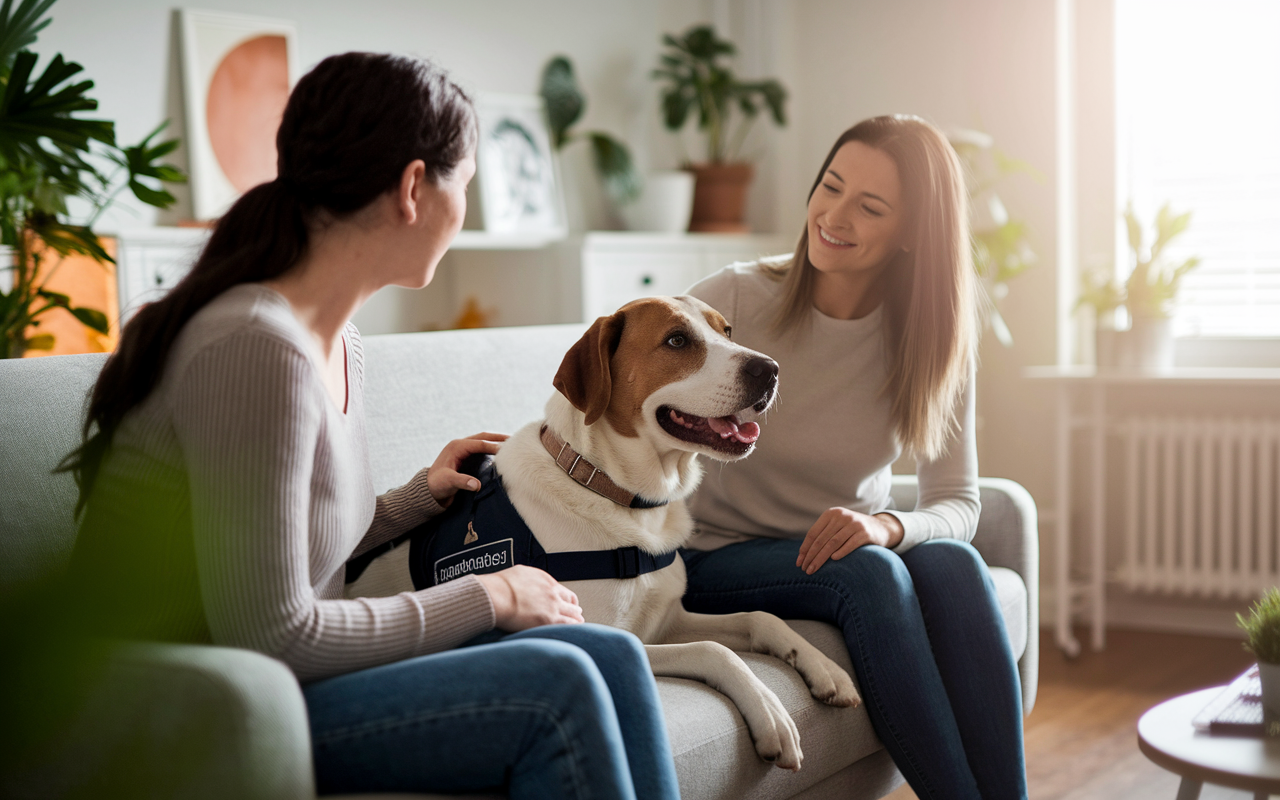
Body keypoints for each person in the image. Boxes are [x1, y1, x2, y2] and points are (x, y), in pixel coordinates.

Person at [60, 52, 679, 800]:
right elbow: (269, 630)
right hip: (191, 701)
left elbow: (287, 551)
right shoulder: (256, 347)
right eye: (467, 182)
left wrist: (421, 496)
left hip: (274, 679)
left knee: (603, 651)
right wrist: (494, 593)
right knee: (559, 681)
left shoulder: (336, 338)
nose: (467, 206)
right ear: (415, 187)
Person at [680, 115, 1027, 800]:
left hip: (843, 550)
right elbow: (632, 409)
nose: (834, 217)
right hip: (714, 555)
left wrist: (889, 525)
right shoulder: (736, 299)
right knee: (868, 574)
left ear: (911, 236)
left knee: (953, 561)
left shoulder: (933, 339)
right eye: (830, 187)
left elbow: (959, 500)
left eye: (870, 207)